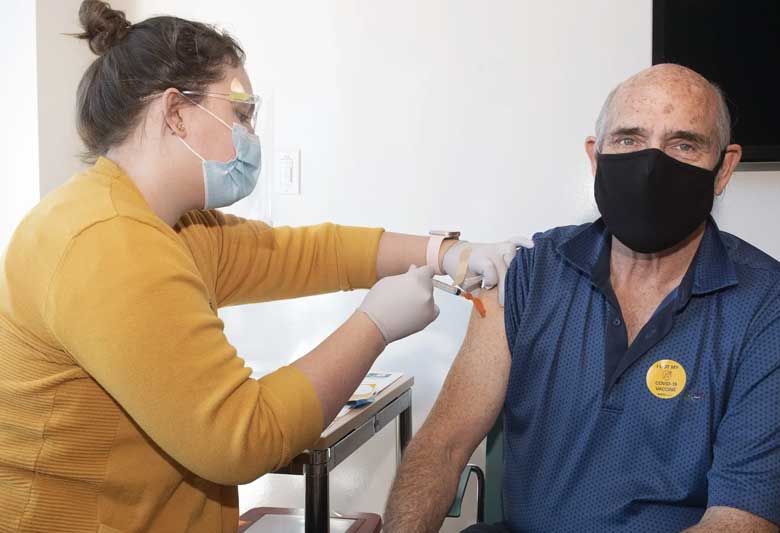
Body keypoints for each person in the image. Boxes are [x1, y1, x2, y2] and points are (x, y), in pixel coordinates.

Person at [0, 2, 531, 532]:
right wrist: (375, 326)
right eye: (240, 112)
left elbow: (305, 254)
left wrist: (444, 252)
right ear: (176, 112)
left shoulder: (176, 226)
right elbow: (243, 437)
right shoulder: (107, 241)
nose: (251, 133)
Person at [385, 64, 780, 533]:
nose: (651, 166)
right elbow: (443, 445)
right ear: (596, 157)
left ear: (723, 168)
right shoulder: (527, 272)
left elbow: (741, 519)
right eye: (628, 139)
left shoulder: (775, 309)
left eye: (683, 144)